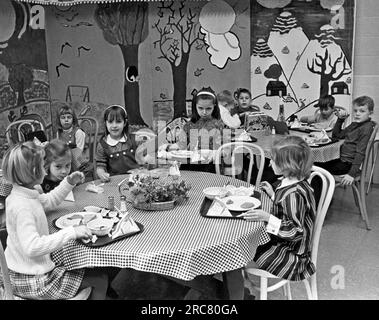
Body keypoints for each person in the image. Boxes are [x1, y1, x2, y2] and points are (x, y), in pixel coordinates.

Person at [0, 141, 110, 299]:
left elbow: (49, 201)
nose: (45, 173)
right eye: (42, 167)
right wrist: (71, 232)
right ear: (32, 172)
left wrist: (68, 183)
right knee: (100, 279)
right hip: (31, 279)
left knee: (89, 271)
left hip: (26, 270)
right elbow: (32, 246)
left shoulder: (25, 193)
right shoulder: (22, 206)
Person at [240, 135, 316, 281]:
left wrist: (267, 217)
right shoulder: (293, 182)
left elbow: (295, 231)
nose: (270, 162)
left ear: (288, 165)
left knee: (243, 250)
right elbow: (286, 210)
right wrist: (273, 195)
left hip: (293, 255)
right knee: (250, 242)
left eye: (274, 160)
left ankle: (232, 289)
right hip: (285, 243)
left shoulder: (293, 195)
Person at [315, 95, 375, 186]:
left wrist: (351, 174)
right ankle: (319, 196)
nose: (357, 114)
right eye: (355, 111)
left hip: (347, 165)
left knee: (316, 170)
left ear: (370, 112)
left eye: (362, 111)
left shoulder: (366, 128)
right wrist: (340, 120)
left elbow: (360, 153)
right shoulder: (355, 124)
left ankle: (321, 199)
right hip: (341, 160)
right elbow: (337, 136)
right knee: (313, 163)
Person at [95, 104, 140, 182]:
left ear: (125, 123)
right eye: (110, 122)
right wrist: (101, 173)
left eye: (118, 122)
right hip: (115, 182)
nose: (114, 125)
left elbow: (146, 156)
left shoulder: (135, 139)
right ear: (105, 123)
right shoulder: (102, 144)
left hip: (136, 180)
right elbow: (100, 165)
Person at [56, 104, 88, 172]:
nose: (66, 120)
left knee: (71, 153)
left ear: (73, 119)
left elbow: (79, 151)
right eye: (63, 118)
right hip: (65, 158)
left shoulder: (78, 132)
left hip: (78, 160)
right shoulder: (59, 133)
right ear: (59, 120)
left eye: (69, 117)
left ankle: (69, 177)